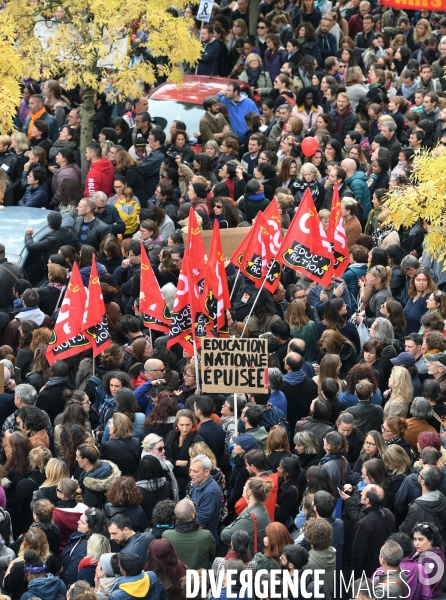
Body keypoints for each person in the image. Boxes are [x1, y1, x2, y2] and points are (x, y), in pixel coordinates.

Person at [221, 477, 273, 557]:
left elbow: (225, 535)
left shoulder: (251, 516)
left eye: (245, 485)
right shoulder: (258, 508)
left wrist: (230, 526)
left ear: (249, 492)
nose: (243, 487)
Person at [351, 485, 396, 577]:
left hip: (368, 572)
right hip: (384, 565)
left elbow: (358, 554)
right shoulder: (389, 514)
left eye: (363, 492)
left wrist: (355, 576)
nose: (360, 493)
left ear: (367, 501)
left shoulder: (364, 524)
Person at [162, 498, 215, 570]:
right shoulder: (206, 535)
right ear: (193, 515)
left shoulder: (166, 535)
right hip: (200, 577)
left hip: (178, 577)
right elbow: (212, 555)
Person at [400, 465, 446, 536]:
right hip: (438, 542)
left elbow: (405, 529)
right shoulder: (442, 498)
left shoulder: (416, 507)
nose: (417, 474)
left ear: (423, 482)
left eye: (419, 474)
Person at [189, 454, 222, 544]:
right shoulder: (198, 483)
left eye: (195, 471)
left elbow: (199, 524)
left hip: (204, 543)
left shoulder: (210, 492)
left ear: (206, 472)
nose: (191, 474)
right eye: (191, 470)